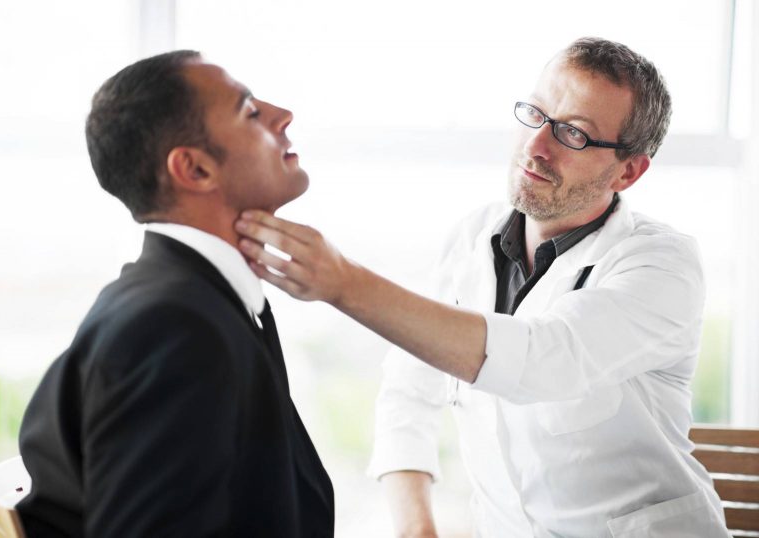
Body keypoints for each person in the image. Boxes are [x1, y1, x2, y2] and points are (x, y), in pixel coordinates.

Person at [233, 38, 730, 537]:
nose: (536, 146)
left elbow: (542, 361)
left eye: (574, 134)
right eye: (535, 114)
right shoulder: (471, 238)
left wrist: (344, 283)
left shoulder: (662, 265)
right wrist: (416, 529)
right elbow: (409, 392)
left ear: (628, 170)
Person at [17, 50, 334, 537]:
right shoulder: (175, 329)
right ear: (195, 169)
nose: (283, 115)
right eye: (250, 111)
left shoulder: (191, 304)